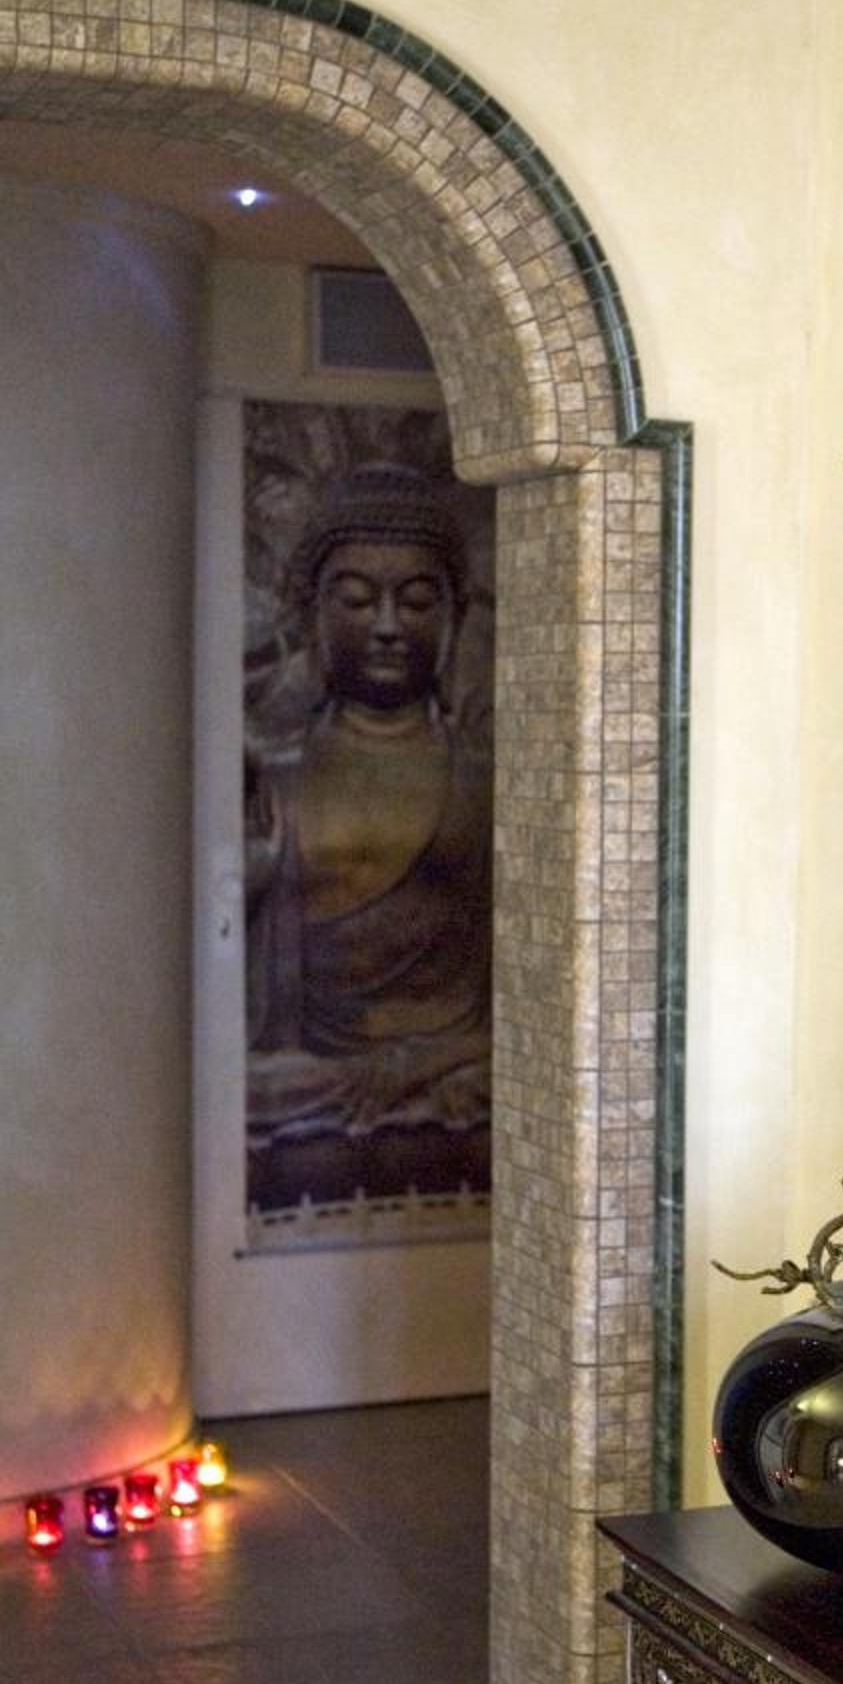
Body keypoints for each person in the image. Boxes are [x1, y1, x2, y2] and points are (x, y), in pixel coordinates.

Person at [245, 464, 491, 1206]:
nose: (387, 626)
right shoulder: (273, 777)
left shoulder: (487, 780)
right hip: (311, 1080)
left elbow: (534, 1007)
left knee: (521, 1090)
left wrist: (416, 1064)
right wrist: (251, 880)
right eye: (356, 599)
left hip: (453, 1067)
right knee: (245, 1097)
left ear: (452, 619)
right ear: (313, 615)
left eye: (415, 601)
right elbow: (247, 1013)